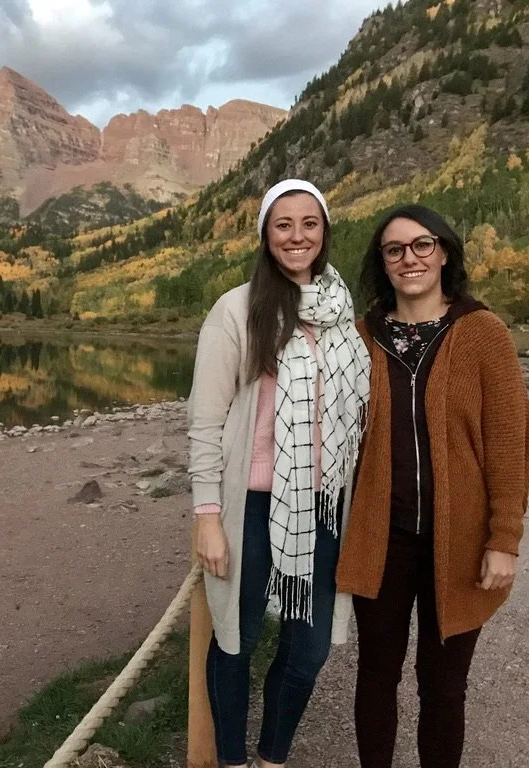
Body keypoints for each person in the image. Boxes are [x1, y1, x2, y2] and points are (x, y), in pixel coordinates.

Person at [336, 205, 529, 768]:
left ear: (445, 252)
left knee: (443, 685)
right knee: (376, 674)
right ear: (383, 262)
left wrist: (505, 538)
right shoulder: (360, 336)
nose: (410, 259)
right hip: (384, 536)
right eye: (395, 249)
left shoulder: (482, 333)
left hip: (462, 539)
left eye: (422, 245)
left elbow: (508, 442)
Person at [188, 179, 371, 768]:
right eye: (283, 224)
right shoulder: (238, 309)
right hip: (249, 505)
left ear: (325, 231)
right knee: (234, 640)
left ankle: (272, 756)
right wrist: (207, 516)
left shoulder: (344, 315)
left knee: (309, 647)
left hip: (320, 506)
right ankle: (232, 760)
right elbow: (206, 422)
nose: (297, 236)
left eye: (309, 223)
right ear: (266, 235)